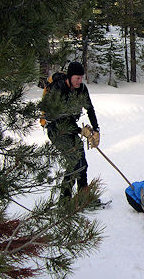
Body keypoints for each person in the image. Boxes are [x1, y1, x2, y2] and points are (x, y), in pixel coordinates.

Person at [40, 61, 100, 199]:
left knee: (82, 162)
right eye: (77, 78)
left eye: (81, 77)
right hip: (56, 130)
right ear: (69, 77)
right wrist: (80, 131)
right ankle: (65, 200)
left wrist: (96, 129)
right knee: (75, 163)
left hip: (71, 129)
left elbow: (90, 109)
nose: (80, 81)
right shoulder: (59, 89)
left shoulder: (82, 89)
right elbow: (58, 118)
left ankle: (83, 198)